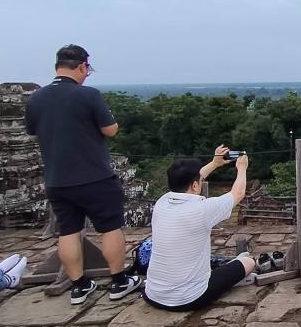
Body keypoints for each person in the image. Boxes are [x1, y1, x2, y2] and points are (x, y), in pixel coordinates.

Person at [24, 45, 140, 304]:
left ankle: (78, 285)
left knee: (68, 231)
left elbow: (33, 131)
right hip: (94, 176)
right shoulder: (88, 95)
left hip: (57, 179)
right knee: (110, 228)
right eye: (88, 69)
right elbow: (110, 130)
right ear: (82, 66)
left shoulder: (36, 99)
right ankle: (119, 281)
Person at [143, 146, 257, 311]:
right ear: (195, 185)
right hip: (189, 298)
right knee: (247, 261)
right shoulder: (202, 209)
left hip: (153, 295)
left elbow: (194, 179)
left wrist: (214, 163)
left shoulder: (161, 202)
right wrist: (242, 168)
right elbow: (238, 193)